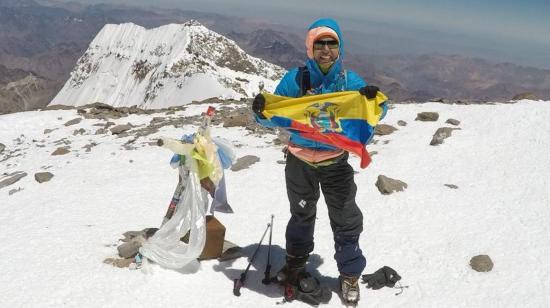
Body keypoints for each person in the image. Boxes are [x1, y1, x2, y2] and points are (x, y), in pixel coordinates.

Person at [251, 18, 386, 305]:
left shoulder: (350, 82)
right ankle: (295, 265)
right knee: (301, 216)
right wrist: (261, 111)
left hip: (335, 163)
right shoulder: (295, 80)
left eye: (331, 43)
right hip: (300, 163)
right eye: (319, 43)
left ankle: (349, 274)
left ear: (340, 48)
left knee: (345, 219)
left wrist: (374, 101)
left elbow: (377, 110)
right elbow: (273, 113)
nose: (326, 49)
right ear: (310, 48)